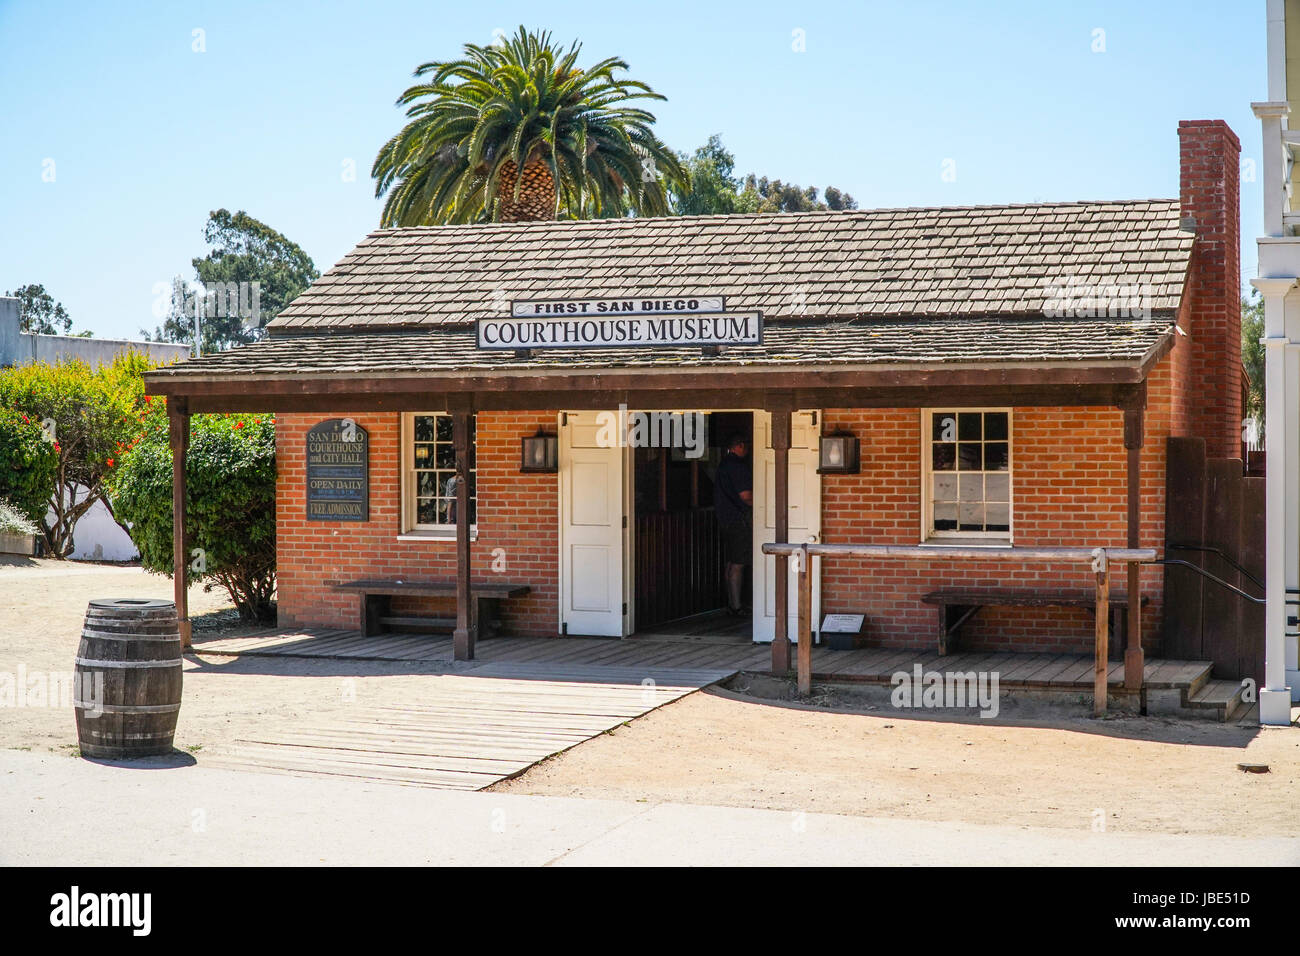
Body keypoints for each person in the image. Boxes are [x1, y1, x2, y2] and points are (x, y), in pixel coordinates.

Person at [713, 433, 753, 616]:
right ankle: (737, 606)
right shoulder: (738, 467)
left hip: (725, 519)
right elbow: (746, 496)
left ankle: (731, 602)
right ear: (739, 446)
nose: (747, 449)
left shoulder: (723, 465)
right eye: (746, 445)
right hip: (739, 519)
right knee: (738, 563)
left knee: (731, 563)